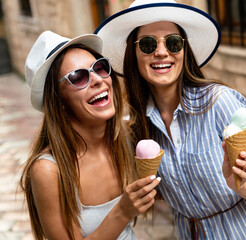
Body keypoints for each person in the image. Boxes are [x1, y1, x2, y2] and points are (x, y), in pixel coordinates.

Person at [95, 0, 246, 239]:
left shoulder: (220, 102)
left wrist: (237, 180)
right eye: (147, 44)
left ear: (184, 51)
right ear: (133, 54)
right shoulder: (138, 127)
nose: (162, 52)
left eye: (173, 43)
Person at [20, 30, 161, 240]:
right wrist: (122, 212)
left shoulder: (126, 139)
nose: (97, 80)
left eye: (100, 67)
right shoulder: (48, 171)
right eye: (78, 77)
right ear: (59, 101)